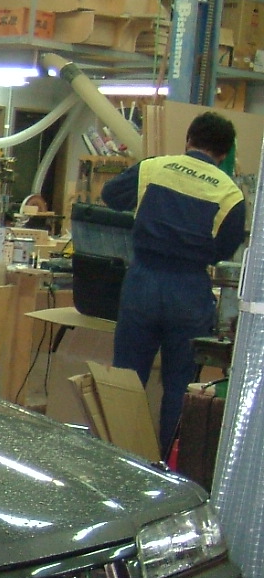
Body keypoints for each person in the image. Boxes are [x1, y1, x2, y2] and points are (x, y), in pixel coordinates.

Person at [100, 110, 246, 458]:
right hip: (190, 291)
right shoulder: (230, 194)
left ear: (189, 140)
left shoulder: (154, 168)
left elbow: (111, 195)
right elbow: (225, 251)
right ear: (224, 153)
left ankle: (117, 460)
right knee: (180, 387)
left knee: (126, 380)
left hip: (142, 282)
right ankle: (169, 465)